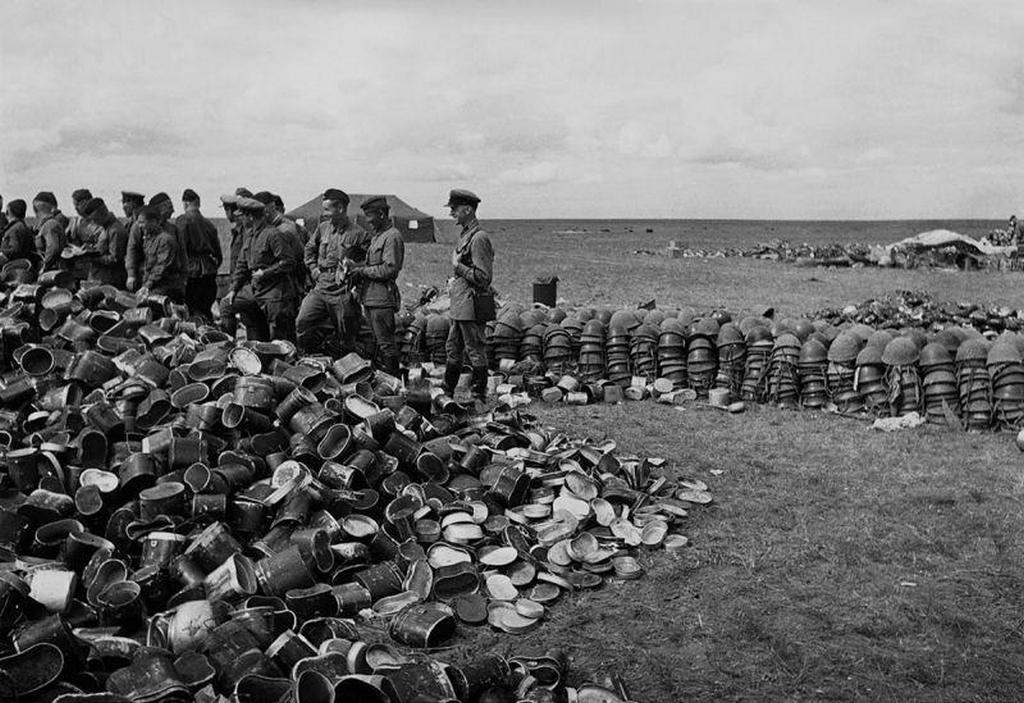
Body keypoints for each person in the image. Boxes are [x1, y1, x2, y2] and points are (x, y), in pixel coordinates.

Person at [296, 188, 369, 353]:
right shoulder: (322, 228)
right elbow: (309, 249)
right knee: (302, 321)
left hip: (342, 291)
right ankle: (309, 358)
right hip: (321, 288)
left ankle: (347, 367)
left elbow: (370, 263)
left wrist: (355, 270)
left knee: (346, 334)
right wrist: (314, 269)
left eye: (327, 210)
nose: (324, 214)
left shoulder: (359, 234)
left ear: (341, 209)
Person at [444, 188, 494, 401]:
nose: (451, 213)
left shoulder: (479, 237)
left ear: (468, 209)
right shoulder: (466, 234)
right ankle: (447, 391)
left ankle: (477, 395)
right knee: (452, 347)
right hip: (460, 304)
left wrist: (458, 267)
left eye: (454, 209)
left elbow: (484, 277)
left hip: (471, 306)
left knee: (474, 349)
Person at [225, 197, 296, 341]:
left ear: (250, 217)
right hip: (257, 289)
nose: (240, 219)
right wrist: (233, 290)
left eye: (242, 216)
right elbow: (242, 266)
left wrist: (265, 272)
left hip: (275, 291)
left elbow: (289, 261)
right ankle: (228, 346)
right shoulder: (250, 236)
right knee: (226, 305)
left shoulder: (273, 234)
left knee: (277, 335)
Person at [351, 196, 405, 376]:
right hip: (371, 297)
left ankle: (393, 382)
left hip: (382, 299)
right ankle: (381, 379)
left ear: (381, 214)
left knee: (386, 344)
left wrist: (362, 271)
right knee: (376, 342)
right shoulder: (378, 237)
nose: (367, 221)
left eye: (369, 216)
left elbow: (390, 269)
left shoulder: (392, 237)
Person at [177, 189, 222, 321]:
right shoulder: (210, 225)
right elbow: (218, 255)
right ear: (198, 203)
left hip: (191, 273)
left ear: (185, 203)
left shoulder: (182, 221)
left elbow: (180, 248)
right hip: (209, 272)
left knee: (190, 313)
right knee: (205, 310)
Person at [137, 206, 185, 302]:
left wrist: (147, 286)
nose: (139, 226)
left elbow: (161, 267)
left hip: (167, 288)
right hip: (156, 286)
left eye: (142, 222)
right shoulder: (149, 240)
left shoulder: (165, 240)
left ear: (154, 221)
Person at [81, 197, 129, 288]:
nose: (94, 223)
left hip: (109, 281)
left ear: (102, 214)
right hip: (99, 279)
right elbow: (103, 248)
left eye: (96, 219)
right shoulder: (104, 227)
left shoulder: (116, 230)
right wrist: (91, 248)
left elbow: (115, 259)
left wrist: (91, 257)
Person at [32, 192, 68, 272]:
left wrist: (45, 266)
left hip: (53, 270)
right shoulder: (50, 224)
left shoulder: (49, 225)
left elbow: (53, 248)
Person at [1, 199, 35, 264]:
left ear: (9, 212)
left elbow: (15, 250)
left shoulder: (14, 229)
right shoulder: (23, 227)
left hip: (12, 266)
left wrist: (3, 253)